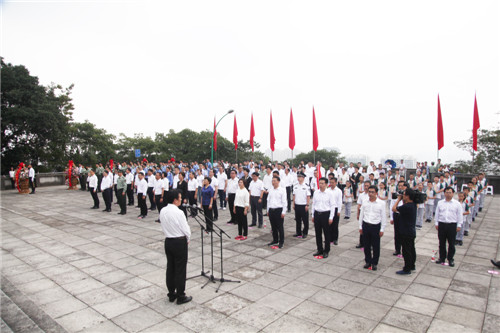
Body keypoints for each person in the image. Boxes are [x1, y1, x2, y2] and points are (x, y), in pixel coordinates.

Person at [160, 189, 192, 305]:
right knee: (180, 269)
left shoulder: (163, 210)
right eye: (179, 198)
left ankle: (171, 293)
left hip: (168, 241)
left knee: (171, 267)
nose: (181, 200)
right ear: (175, 200)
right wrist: (188, 239)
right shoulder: (179, 212)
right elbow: (186, 229)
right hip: (179, 241)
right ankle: (180, 295)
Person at [359, 185, 387, 271]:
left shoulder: (381, 203)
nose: (370, 194)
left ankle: (374, 262)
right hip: (366, 225)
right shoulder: (365, 201)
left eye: (372, 192)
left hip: (375, 226)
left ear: (376, 193)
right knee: (366, 245)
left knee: (375, 246)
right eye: (369, 192)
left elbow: (383, 217)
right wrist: (360, 226)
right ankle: (368, 261)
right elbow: (361, 214)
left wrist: (382, 229)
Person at [434, 187, 463, 267]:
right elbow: (437, 213)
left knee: (451, 243)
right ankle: (442, 258)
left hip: (452, 225)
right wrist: (436, 223)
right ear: (444, 193)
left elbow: (459, 215)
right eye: (446, 192)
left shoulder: (457, 204)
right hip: (442, 224)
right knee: (441, 243)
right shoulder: (440, 203)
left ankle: (450, 259)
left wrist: (459, 225)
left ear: (453, 193)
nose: (448, 194)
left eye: (450, 192)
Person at [393, 188, 417, 274]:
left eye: (404, 194)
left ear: (407, 196)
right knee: (411, 249)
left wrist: (398, 199)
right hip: (411, 231)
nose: (402, 196)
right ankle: (412, 265)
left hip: (406, 231)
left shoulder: (407, 206)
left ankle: (407, 269)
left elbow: (394, 208)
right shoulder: (413, 204)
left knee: (406, 251)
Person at [311, 177, 335, 258]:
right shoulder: (316, 193)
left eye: (322, 183)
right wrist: (313, 215)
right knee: (318, 233)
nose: (320, 185)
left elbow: (332, 206)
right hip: (317, 214)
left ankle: (326, 250)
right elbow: (313, 204)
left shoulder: (330, 193)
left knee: (326, 234)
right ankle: (319, 249)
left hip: (326, 214)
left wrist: (331, 217)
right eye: (319, 183)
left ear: (326, 184)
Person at [266, 176, 287, 248]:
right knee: (273, 227)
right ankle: (275, 240)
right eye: (272, 181)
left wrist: (283, 212)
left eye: (275, 181)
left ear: (278, 181)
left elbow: (284, 202)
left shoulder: (282, 190)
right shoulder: (271, 190)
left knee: (280, 227)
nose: (273, 182)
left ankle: (281, 241)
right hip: (271, 210)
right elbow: (268, 200)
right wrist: (268, 210)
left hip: (278, 210)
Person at [292, 172, 311, 239]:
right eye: (298, 177)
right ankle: (298, 232)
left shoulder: (306, 186)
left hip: (303, 205)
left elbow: (308, 196)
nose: (298, 178)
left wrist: (307, 204)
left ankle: (305, 232)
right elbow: (294, 195)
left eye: (300, 177)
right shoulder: (295, 186)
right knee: (298, 220)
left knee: (305, 220)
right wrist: (293, 203)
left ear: (303, 178)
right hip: (297, 205)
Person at [328, 178, 343, 246]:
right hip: (329, 208)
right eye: (330, 182)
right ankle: (329, 238)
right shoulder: (328, 190)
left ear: (336, 183)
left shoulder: (338, 191)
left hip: (336, 208)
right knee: (329, 225)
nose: (331, 184)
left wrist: (339, 210)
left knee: (335, 225)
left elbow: (340, 201)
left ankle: (335, 239)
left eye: (333, 182)